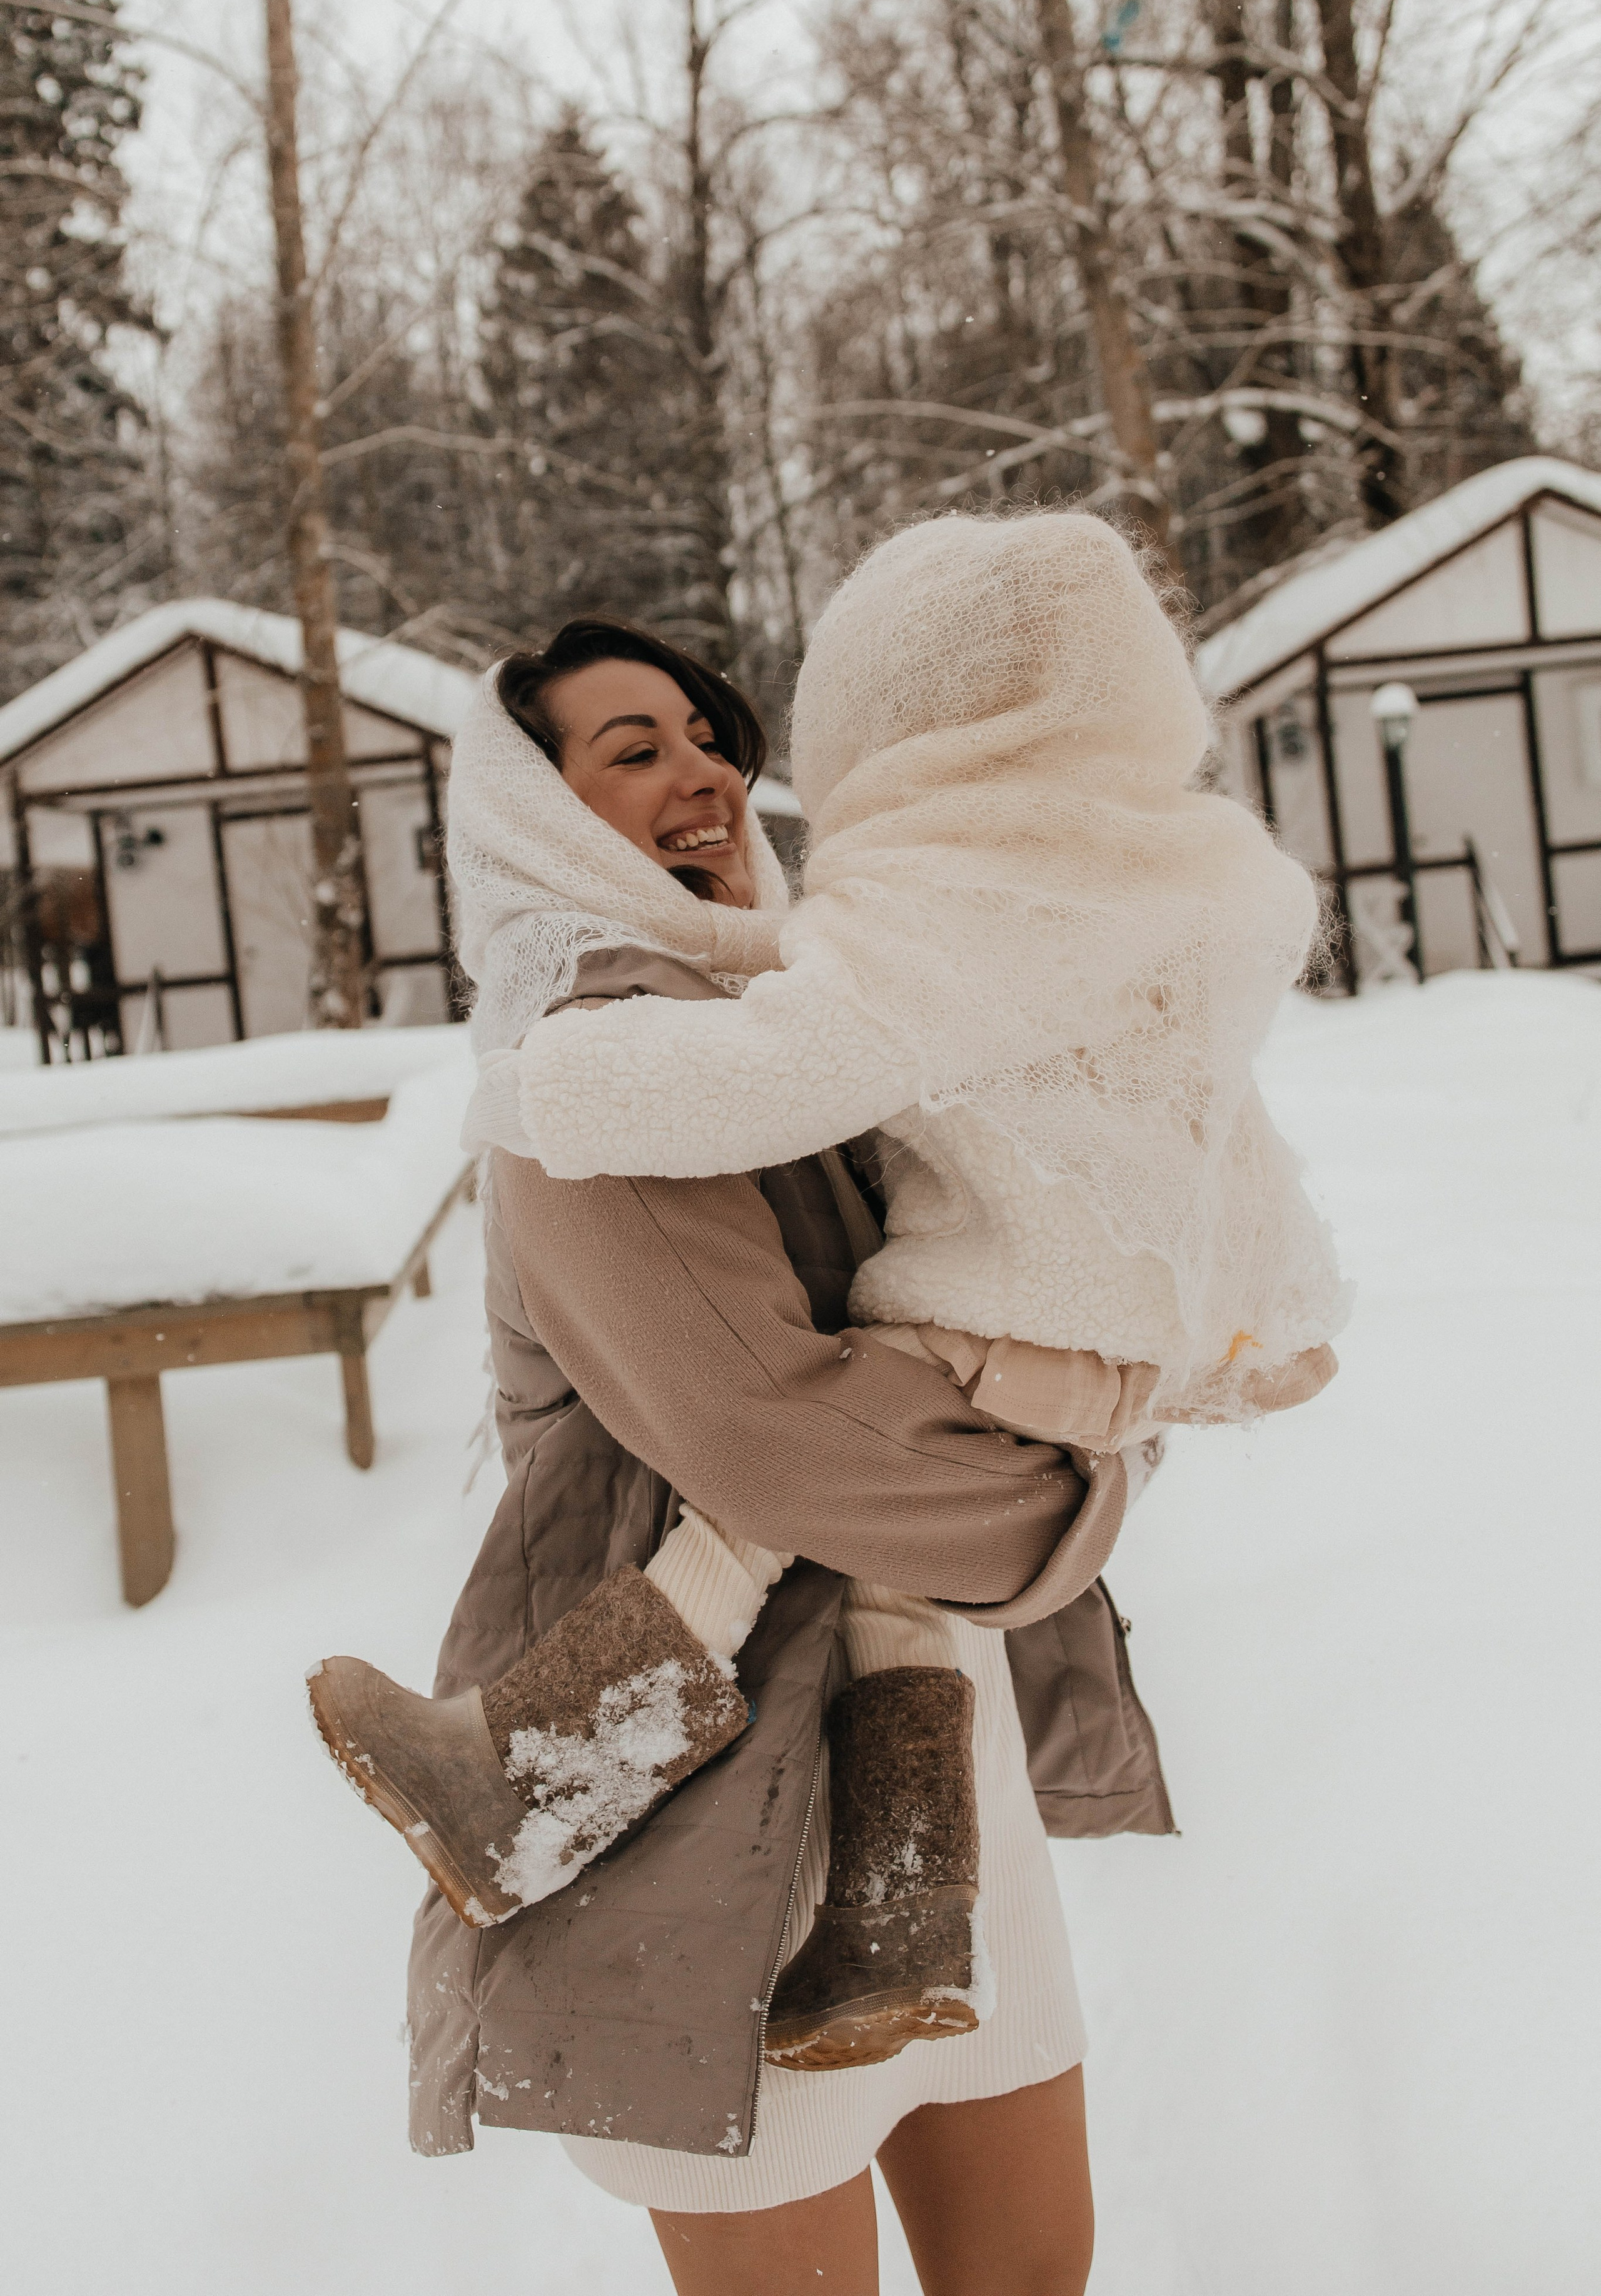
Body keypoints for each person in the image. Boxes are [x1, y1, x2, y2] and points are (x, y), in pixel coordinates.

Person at [311, 598, 1174, 2294]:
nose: (701, 774)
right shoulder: (590, 1083)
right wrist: (1075, 1489)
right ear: (538, 819)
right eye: (633, 751)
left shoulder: (803, 1035)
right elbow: (770, 1434)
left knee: (1032, 2274)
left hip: (939, 1770)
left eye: (711, 738)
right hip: (715, 1813)